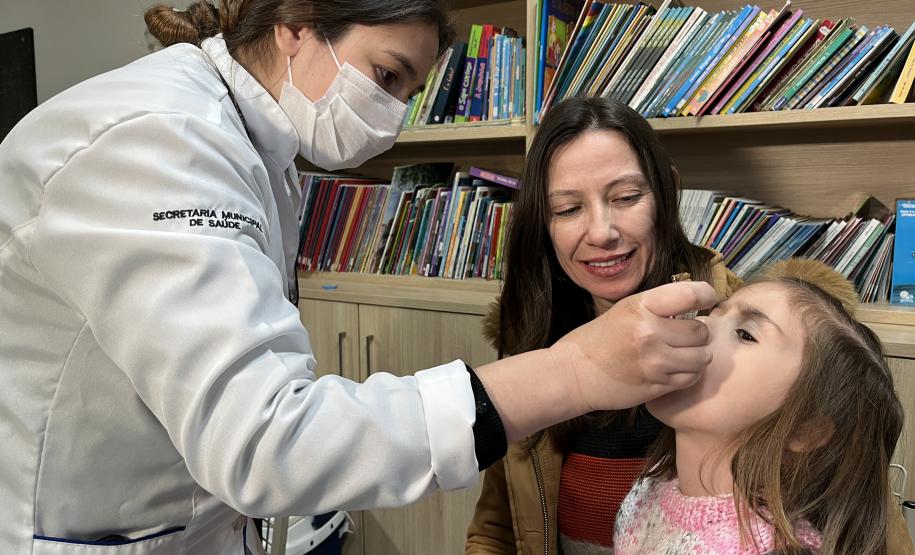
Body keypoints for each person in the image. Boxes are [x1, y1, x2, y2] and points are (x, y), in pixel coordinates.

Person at [0, 1, 719, 553]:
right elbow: (265, 441)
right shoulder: (158, 139)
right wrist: (573, 371)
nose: (392, 119)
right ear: (295, 23)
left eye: (626, 195)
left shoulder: (257, 158)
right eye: (386, 77)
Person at [465, 95, 741, 555]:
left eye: (626, 197)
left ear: (668, 192)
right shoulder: (533, 344)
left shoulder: (752, 340)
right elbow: (495, 531)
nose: (601, 233)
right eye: (568, 209)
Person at [614, 259, 905, 555]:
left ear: (805, 430)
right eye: (712, 313)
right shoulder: (652, 487)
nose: (700, 324)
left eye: (745, 334)